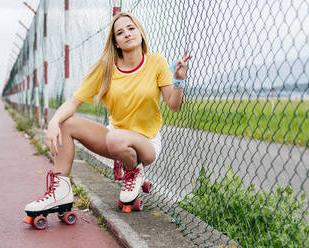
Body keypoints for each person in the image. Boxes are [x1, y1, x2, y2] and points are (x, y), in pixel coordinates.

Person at [24, 12, 192, 213]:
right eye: (120, 33)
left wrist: (179, 80)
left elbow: (174, 105)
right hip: (115, 139)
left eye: (131, 28)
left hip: (146, 143)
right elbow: (74, 102)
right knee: (65, 124)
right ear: (116, 43)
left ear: (140, 32)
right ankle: (61, 192)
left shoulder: (156, 62)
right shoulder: (106, 68)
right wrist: (53, 123)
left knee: (115, 138)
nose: (127, 34)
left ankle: (134, 172)